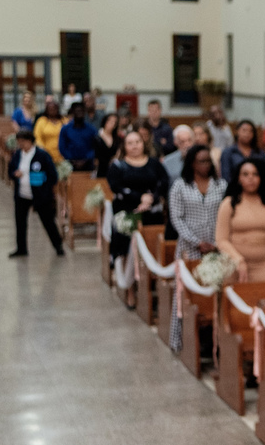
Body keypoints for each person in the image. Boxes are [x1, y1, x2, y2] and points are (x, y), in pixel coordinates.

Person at [168, 145, 227, 350]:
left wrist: (217, 243)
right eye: (202, 161)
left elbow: (225, 215)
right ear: (192, 163)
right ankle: (179, 340)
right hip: (189, 247)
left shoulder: (220, 185)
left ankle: (213, 342)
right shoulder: (180, 186)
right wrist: (196, 241)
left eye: (209, 161)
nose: (206, 165)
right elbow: (177, 218)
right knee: (184, 293)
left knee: (214, 292)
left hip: (215, 246)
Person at [107, 131, 169, 308]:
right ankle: (130, 289)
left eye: (138, 142)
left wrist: (150, 199)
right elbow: (116, 187)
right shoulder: (118, 166)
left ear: (144, 143)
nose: (134, 146)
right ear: (124, 146)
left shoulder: (154, 163)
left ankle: (153, 287)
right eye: (130, 143)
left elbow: (163, 183)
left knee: (152, 246)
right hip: (127, 212)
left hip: (151, 212)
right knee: (127, 248)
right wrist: (139, 198)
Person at [215, 158, 265, 282]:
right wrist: (238, 260)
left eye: (255, 174)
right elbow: (221, 240)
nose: (250, 178)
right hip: (234, 266)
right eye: (245, 174)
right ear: (239, 178)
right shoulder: (228, 203)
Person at [8, 129, 65, 258]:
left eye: (23, 142)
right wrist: (15, 174)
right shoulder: (17, 155)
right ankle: (21, 248)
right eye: (19, 142)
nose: (21, 145)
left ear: (30, 141)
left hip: (40, 195)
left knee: (48, 221)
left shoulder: (42, 155)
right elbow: (10, 170)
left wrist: (45, 188)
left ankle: (58, 245)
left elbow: (53, 175)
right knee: (20, 222)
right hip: (22, 194)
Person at [58, 103, 98, 171]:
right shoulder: (65, 129)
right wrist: (72, 159)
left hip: (88, 163)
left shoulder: (91, 129)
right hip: (69, 163)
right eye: (77, 111)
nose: (80, 113)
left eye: (82, 111)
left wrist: (86, 159)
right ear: (73, 112)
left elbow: (95, 147)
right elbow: (62, 147)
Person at [95, 113, 122, 178]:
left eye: (114, 122)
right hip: (100, 168)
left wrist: (115, 158)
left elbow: (119, 152)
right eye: (109, 121)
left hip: (113, 168)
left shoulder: (117, 139)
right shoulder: (97, 137)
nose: (111, 123)